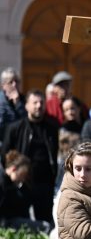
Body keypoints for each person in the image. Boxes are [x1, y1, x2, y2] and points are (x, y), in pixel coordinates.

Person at [2, 89, 59, 226]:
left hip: (44, 182)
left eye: (41, 102)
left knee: (45, 221)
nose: (39, 106)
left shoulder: (52, 128)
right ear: (26, 105)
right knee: (21, 221)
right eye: (35, 103)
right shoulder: (15, 128)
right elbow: (5, 154)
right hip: (22, 182)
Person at [0, 150, 37, 229]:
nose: (22, 179)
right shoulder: (2, 181)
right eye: (22, 175)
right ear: (14, 169)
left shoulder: (9, 184)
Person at [0, 66, 25, 137]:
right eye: (10, 82)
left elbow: (27, 121)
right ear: (3, 85)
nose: (14, 85)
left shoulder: (23, 99)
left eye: (17, 81)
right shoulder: (1, 100)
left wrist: (18, 103)